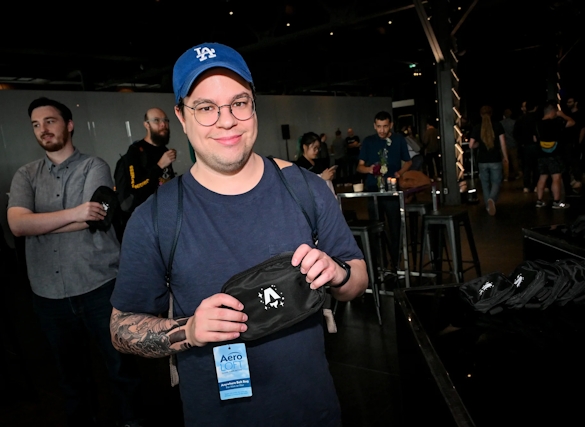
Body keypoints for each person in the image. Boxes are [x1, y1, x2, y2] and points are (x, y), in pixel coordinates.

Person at [109, 42, 368, 427]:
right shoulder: (157, 217)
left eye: (239, 103)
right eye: (206, 108)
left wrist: (339, 273)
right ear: (181, 115)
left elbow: (358, 277)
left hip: (314, 410)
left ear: (253, 106)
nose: (226, 120)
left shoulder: (306, 190)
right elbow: (120, 329)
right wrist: (189, 330)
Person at [7, 97, 142, 427]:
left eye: (50, 121)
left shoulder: (94, 166)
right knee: (71, 378)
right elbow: (17, 225)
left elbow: (96, 218)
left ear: (69, 125)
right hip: (48, 295)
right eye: (36, 125)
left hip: (98, 287)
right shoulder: (25, 175)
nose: (43, 130)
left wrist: (41, 220)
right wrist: (75, 212)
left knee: (121, 369)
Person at [357, 111, 412, 268]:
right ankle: (380, 264)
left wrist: (399, 173)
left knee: (395, 228)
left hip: (392, 189)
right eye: (379, 126)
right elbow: (359, 167)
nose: (381, 130)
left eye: (385, 126)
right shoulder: (368, 141)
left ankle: (396, 264)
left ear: (391, 125)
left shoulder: (399, 140)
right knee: (376, 229)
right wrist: (369, 170)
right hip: (373, 190)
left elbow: (408, 162)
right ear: (374, 125)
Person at [114, 108, 177, 225]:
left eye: (165, 120)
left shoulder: (164, 150)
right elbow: (136, 186)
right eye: (156, 120)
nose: (163, 124)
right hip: (144, 218)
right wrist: (159, 165)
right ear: (146, 125)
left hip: (166, 214)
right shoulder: (135, 151)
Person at [535, 100, 575, 209]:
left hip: (541, 154)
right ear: (553, 112)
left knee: (542, 177)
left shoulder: (537, 124)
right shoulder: (557, 122)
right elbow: (572, 122)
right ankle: (557, 202)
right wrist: (563, 115)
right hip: (555, 154)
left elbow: (534, 138)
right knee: (556, 177)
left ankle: (539, 200)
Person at [469, 106, 508, 216]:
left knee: (485, 184)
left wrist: (478, 145)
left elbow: (471, 145)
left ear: (481, 114)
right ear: (491, 114)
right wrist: (505, 157)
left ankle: (488, 206)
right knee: (496, 181)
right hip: (495, 159)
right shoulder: (498, 126)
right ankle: (492, 199)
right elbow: (503, 143)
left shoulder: (477, 127)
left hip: (482, 160)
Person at [514, 100, 540, 193]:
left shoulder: (520, 119)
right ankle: (536, 185)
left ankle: (526, 186)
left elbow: (515, 134)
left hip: (525, 146)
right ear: (535, 108)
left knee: (526, 167)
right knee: (537, 166)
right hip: (537, 146)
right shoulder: (538, 119)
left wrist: (521, 142)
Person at [500, 108, 520, 181]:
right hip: (513, 143)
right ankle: (516, 174)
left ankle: (506, 176)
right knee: (515, 160)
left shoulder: (501, 123)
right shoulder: (514, 122)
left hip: (504, 144)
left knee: (505, 160)